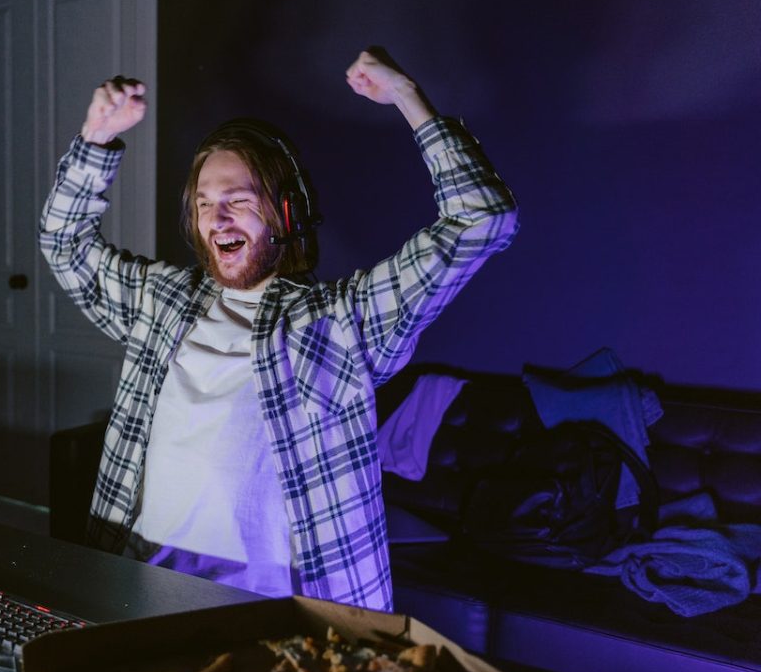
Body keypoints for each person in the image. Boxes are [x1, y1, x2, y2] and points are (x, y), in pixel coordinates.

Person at [39, 47, 519, 609]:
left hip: (275, 615)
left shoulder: (340, 323)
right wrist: (95, 140)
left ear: (286, 215)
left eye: (237, 201)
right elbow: (63, 243)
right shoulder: (160, 301)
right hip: (138, 587)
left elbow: (481, 220)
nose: (216, 218)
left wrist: (408, 98)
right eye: (204, 204)